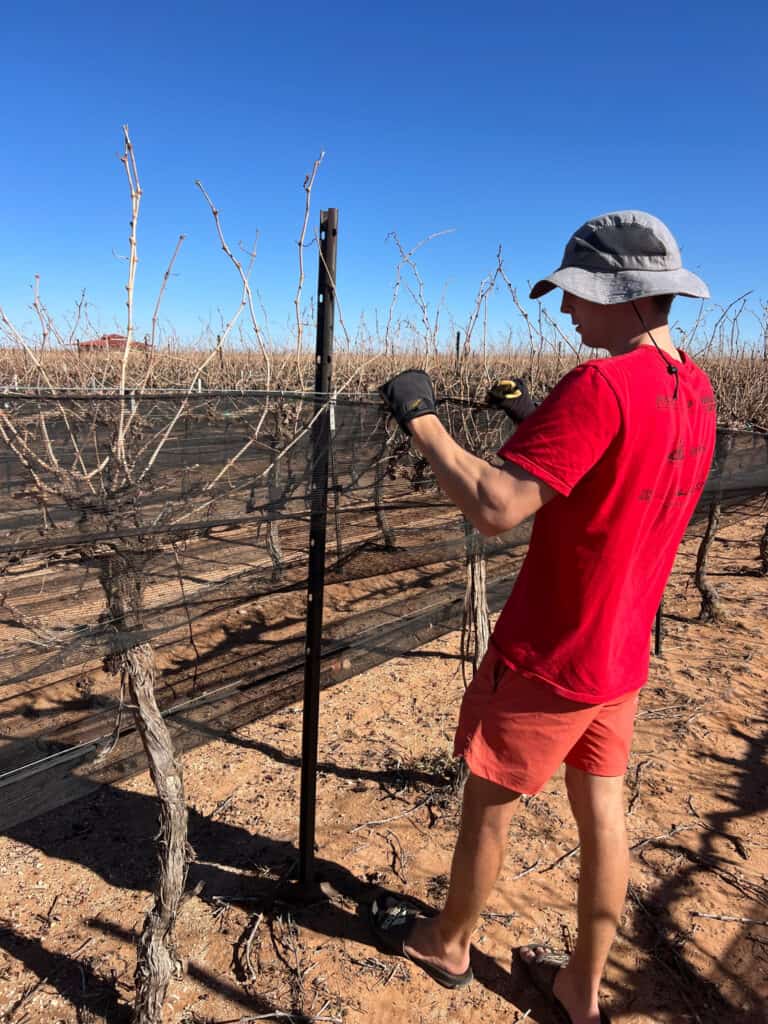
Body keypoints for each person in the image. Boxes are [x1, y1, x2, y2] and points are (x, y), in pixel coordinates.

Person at [372, 210, 717, 1024]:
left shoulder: (599, 384)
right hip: (622, 654)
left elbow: (496, 506)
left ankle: (448, 942)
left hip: (551, 654)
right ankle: (580, 989)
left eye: (579, 295)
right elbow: (626, 473)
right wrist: (536, 427)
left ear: (628, 297)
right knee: (602, 812)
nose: (565, 311)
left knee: (489, 799)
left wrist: (421, 417)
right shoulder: (696, 389)